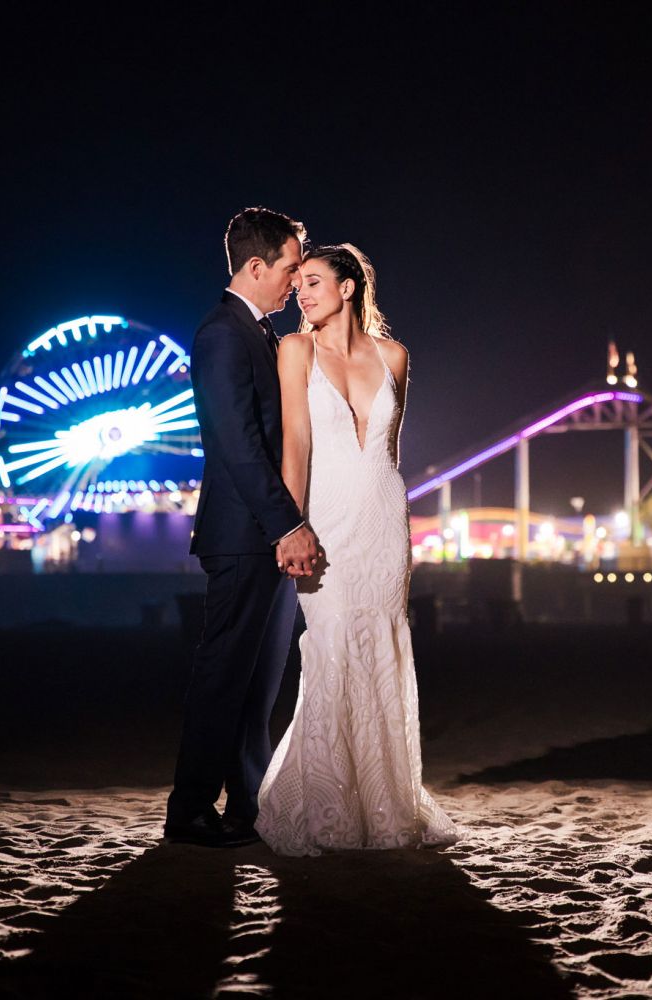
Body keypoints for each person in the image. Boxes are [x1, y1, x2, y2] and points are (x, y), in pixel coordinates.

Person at [255, 244, 461, 855]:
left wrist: (396, 524)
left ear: (348, 288)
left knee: (382, 649)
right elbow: (295, 444)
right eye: (298, 286)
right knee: (331, 646)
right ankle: (327, 807)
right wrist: (289, 527)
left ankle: (387, 806)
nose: (302, 293)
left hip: (382, 521)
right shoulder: (294, 351)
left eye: (314, 282)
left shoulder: (395, 356)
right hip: (325, 519)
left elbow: (389, 454)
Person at [164, 208, 321, 848]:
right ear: (256, 267)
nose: (294, 281)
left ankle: (248, 809)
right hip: (242, 535)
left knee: (258, 687)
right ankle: (190, 811)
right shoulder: (222, 334)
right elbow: (236, 442)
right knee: (224, 676)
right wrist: (288, 525)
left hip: (267, 536)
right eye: (288, 268)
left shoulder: (256, 332)